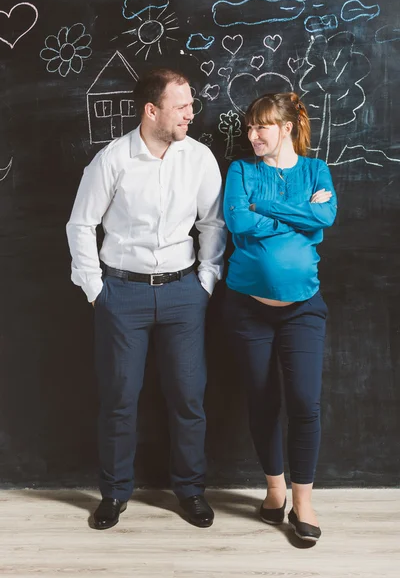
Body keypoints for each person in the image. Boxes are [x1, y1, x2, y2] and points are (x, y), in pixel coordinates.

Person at [66, 68, 226, 530]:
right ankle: (114, 494)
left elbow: (213, 224)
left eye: (191, 104)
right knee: (119, 398)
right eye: (182, 106)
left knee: (188, 397)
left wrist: (206, 280)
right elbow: (80, 225)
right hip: (122, 294)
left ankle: (191, 491)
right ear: (151, 110)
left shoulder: (198, 158)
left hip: (183, 293)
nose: (191, 114)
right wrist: (96, 291)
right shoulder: (112, 160)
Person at [223, 92, 337, 542]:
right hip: (247, 307)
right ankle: (274, 492)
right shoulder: (240, 170)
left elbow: (326, 216)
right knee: (263, 400)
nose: (253, 136)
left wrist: (264, 207)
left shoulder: (315, 170)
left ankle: (303, 501)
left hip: (303, 309)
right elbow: (237, 223)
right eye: (250, 128)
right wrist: (301, 216)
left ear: (286, 128)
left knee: (305, 404)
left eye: (261, 127)